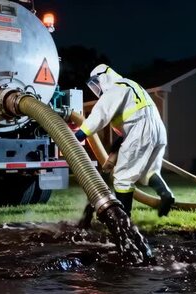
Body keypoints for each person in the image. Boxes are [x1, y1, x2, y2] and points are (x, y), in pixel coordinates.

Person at [74, 64, 174, 219]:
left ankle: (123, 220)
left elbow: (99, 115)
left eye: (96, 83)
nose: (97, 89)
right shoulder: (131, 85)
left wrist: (79, 135)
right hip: (158, 129)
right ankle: (166, 194)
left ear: (104, 77)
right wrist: (112, 157)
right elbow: (125, 134)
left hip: (139, 130)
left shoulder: (114, 89)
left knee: (122, 178)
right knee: (149, 171)